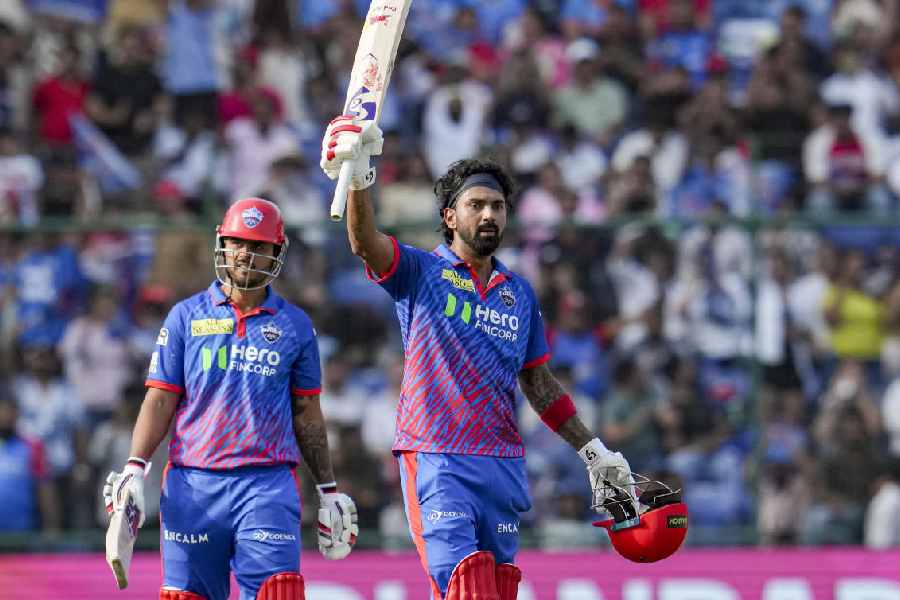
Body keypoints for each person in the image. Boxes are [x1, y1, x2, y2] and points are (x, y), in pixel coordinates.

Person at [320, 117, 634, 599]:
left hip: (501, 461)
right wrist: (360, 173)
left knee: (495, 588)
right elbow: (365, 242)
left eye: (497, 206)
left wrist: (595, 454)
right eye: (476, 205)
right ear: (449, 216)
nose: (488, 215)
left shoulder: (519, 294)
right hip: (437, 454)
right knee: (464, 583)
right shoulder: (421, 271)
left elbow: (540, 385)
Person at [100, 198, 358, 600]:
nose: (246, 253)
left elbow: (307, 413)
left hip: (267, 485)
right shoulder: (185, 316)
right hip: (193, 484)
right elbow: (159, 400)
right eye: (238, 242)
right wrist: (135, 467)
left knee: (278, 593)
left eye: (258, 245)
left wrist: (328, 488)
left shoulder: (295, 325)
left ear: (277, 252)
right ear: (222, 243)